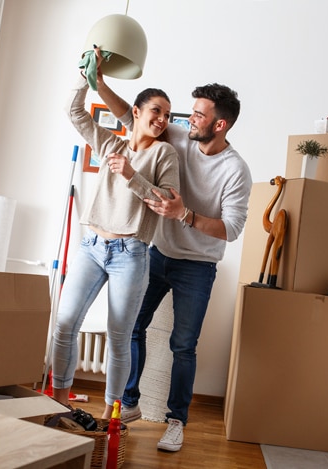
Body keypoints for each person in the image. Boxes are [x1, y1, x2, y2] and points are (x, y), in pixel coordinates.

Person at [96, 56, 253, 451]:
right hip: (158, 253)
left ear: (220, 125)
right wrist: (98, 82)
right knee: (132, 326)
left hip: (197, 267)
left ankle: (176, 421)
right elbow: (131, 116)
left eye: (198, 115)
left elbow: (231, 229)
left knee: (183, 346)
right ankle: (129, 403)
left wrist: (184, 213)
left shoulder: (236, 171)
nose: (188, 119)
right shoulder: (180, 137)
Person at [51, 61, 180, 420]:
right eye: (156, 111)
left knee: (119, 336)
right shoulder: (110, 141)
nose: (162, 119)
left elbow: (167, 202)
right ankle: (60, 404)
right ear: (136, 112)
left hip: (131, 253)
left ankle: (111, 416)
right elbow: (73, 111)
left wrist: (131, 174)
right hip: (92, 246)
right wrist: (85, 76)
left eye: (167, 115)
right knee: (64, 324)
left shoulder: (164, 154)